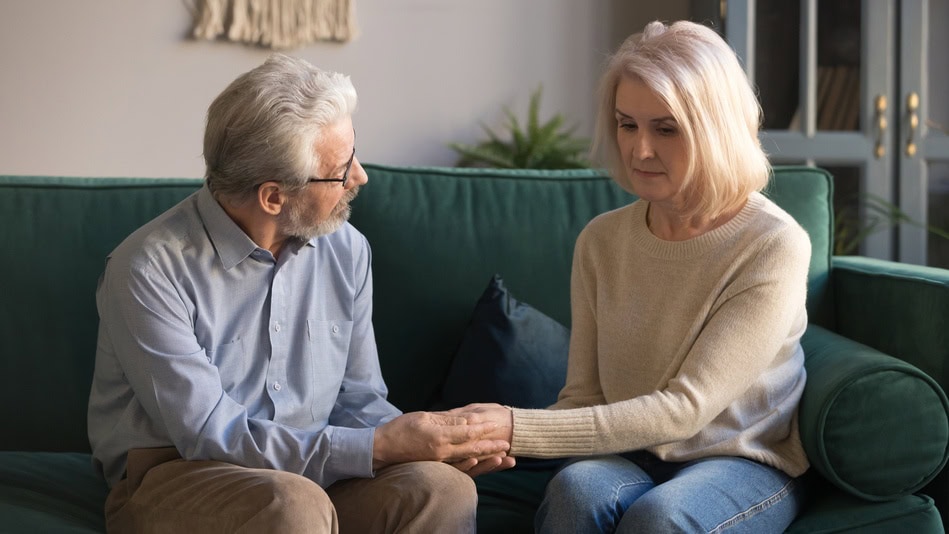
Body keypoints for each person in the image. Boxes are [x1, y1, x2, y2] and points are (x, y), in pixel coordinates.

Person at [87, 53, 512, 534]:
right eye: (341, 167)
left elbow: (359, 399)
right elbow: (208, 433)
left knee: (441, 488)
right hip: (178, 474)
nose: (360, 177)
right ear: (273, 196)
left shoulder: (346, 248)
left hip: (316, 473)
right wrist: (380, 447)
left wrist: (431, 446)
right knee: (292, 505)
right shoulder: (147, 268)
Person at [452, 20, 811, 533]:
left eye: (665, 129)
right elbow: (584, 398)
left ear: (716, 129)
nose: (640, 149)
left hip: (742, 460)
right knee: (574, 492)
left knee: (659, 518)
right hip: (629, 452)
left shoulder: (772, 244)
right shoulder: (601, 241)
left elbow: (686, 410)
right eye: (627, 124)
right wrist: (502, 443)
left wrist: (514, 427)